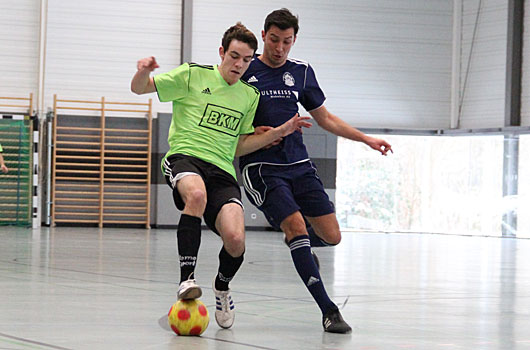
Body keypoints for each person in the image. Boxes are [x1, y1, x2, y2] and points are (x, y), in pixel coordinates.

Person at [131, 22, 311, 330]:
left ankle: (222, 287)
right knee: (196, 195)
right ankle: (186, 280)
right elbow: (140, 88)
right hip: (186, 156)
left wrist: (281, 131)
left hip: (223, 170)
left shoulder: (248, 96)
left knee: (236, 239)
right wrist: (144, 71)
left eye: (246, 59)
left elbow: (240, 144)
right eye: (234, 56)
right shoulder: (192, 75)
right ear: (222, 53)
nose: (239, 64)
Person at [239, 9, 393, 334]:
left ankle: (300, 245)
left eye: (287, 42)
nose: (280, 48)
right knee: (295, 226)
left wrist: (366, 139)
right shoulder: (244, 68)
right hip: (263, 168)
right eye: (274, 40)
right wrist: (251, 135)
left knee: (331, 236)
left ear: (294, 40)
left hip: (299, 164)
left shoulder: (302, 72)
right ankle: (329, 310)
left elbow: (326, 118)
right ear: (264, 35)